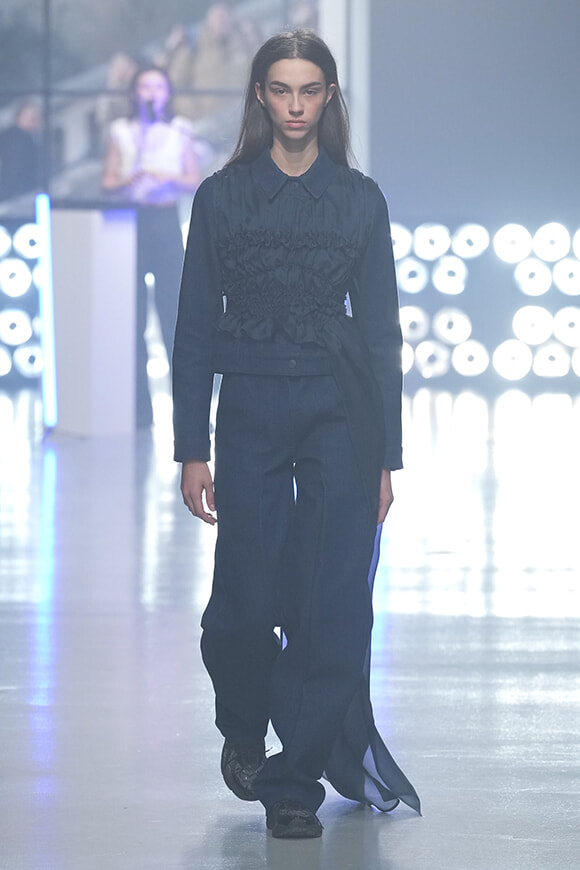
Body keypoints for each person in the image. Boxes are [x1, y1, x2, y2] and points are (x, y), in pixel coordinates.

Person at [172, 31, 421, 839]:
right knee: (242, 603)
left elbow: (381, 334)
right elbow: (194, 327)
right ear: (259, 96)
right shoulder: (221, 197)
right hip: (248, 407)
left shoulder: (359, 200)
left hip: (339, 408)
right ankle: (245, 723)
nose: (295, 106)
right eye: (281, 90)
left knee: (332, 598)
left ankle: (294, 782)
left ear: (328, 98)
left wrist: (387, 457)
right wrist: (191, 447)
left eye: (310, 90)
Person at [102, 66, 201, 426]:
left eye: (158, 86)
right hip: (132, 223)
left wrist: (167, 178)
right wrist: (130, 179)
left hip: (165, 221)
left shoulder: (180, 130)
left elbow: (195, 179)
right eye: (145, 86)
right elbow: (107, 181)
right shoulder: (120, 131)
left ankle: (185, 412)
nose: (151, 92)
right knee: (133, 315)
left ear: (168, 92)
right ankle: (138, 411)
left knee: (174, 315)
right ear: (134, 92)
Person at [0, 101, 42, 202]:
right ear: (19, 117)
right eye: (30, 118)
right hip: (16, 194)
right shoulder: (13, 139)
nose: (34, 121)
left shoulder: (32, 138)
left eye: (35, 118)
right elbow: (14, 168)